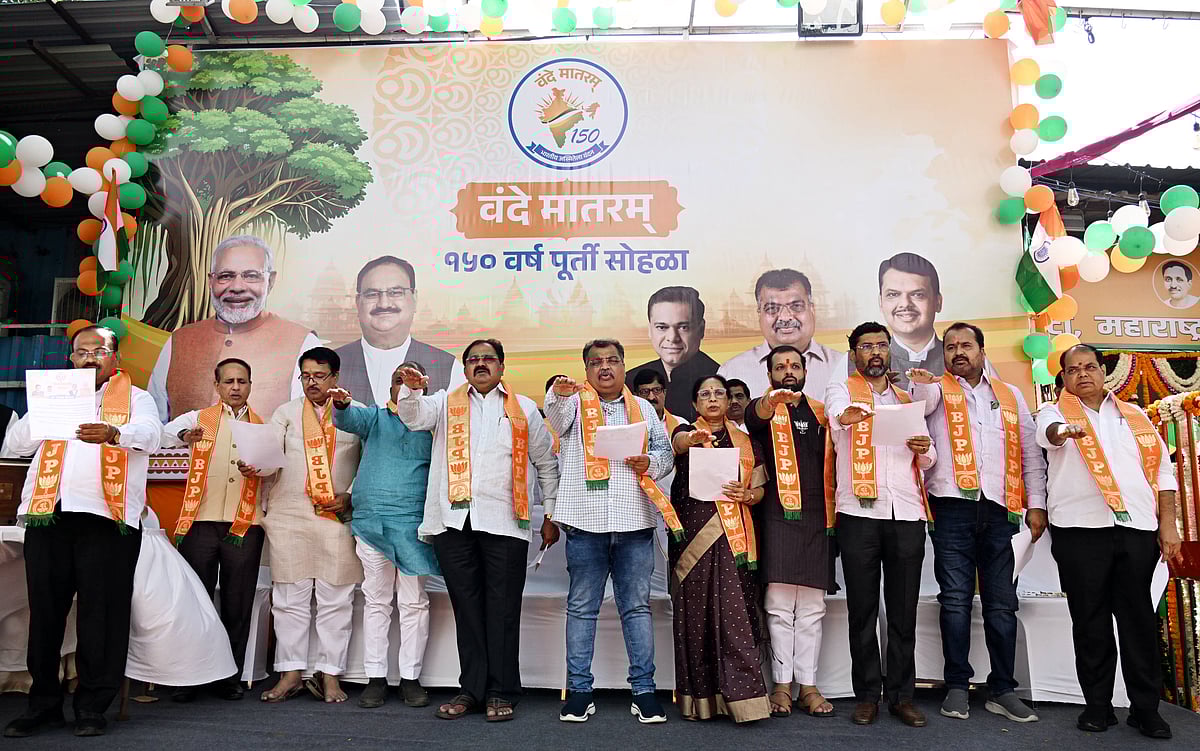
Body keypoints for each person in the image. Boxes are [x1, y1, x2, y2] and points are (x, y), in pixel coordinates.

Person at [3, 326, 162, 738]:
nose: (89, 357)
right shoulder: (53, 396)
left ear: (114, 358)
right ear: (71, 359)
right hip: (48, 515)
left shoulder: (137, 399)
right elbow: (15, 446)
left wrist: (115, 433)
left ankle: (92, 707)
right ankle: (43, 706)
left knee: (101, 616)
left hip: (106, 520)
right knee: (46, 614)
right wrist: (43, 406)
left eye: (99, 350)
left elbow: (152, 436)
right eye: (81, 351)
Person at [393, 339, 559, 722]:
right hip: (454, 523)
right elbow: (412, 416)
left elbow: (546, 463)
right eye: (473, 360)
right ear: (464, 368)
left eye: (488, 359)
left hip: (506, 522)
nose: (481, 364)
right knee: (467, 610)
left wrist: (550, 514)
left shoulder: (525, 409)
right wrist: (412, 387)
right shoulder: (443, 402)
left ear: (502, 366)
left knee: (502, 610)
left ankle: (502, 691)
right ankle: (471, 689)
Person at [1037, 344, 1181, 739]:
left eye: (1089, 367)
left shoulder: (1135, 417)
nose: (1082, 374)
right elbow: (1047, 436)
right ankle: (1098, 707)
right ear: (1063, 378)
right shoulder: (1054, 413)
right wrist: (1064, 430)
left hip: (1136, 529)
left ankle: (1145, 709)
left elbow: (1163, 473)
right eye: (1072, 370)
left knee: (1138, 623)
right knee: (1091, 623)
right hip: (1079, 531)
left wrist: (1168, 524)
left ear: (1103, 371)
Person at [908, 323, 1045, 723]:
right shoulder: (936, 390)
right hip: (952, 507)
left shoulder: (1010, 395)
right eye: (950, 348)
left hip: (1002, 509)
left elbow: (1031, 455)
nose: (958, 352)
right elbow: (918, 405)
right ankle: (956, 685)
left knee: (1002, 603)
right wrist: (919, 383)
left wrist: (1036, 504)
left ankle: (1002, 688)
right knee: (954, 599)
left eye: (966, 345)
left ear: (982, 350)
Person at [545, 339, 674, 725]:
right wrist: (557, 391)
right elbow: (553, 416)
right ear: (586, 370)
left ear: (623, 366)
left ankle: (645, 692)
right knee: (582, 609)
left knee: (635, 607)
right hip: (585, 524)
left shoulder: (645, 410)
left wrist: (648, 460)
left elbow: (666, 456)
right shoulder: (572, 403)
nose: (605, 368)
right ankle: (580, 692)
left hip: (634, 522)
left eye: (612, 361)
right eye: (596, 363)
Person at [824, 322, 935, 728]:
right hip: (859, 514)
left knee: (904, 612)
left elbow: (929, 458)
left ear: (891, 352)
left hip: (906, 513)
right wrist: (848, 417)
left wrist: (925, 450)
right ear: (853, 353)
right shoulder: (842, 390)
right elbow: (836, 417)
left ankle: (902, 696)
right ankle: (868, 694)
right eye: (867, 346)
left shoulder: (908, 399)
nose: (875, 352)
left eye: (882, 346)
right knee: (863, 610)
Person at [328, 361, 437, 710]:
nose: (401, 386)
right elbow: (348, 419)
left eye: (409, 381)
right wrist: (342, 405)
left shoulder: (432, 422)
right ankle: (375, 678)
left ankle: (410, 679)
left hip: (412, 527)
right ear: (389, 388)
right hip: (372, 525)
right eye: (396, 381)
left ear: (421, 387)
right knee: (376, 601)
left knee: (413, 603)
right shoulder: (374, 417)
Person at [159, 358, 269, 702]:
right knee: (197, 601)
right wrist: (182, 436)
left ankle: (229, 676)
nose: (235, 387)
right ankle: (190, 677)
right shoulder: (197, 419)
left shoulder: (263, 425)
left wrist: (261, 469)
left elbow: (275, 469)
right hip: (200, 523)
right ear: (217, 385)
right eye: (229, 382)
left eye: (242, 381)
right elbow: (162, 432)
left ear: (251, 385)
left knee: (238, 603)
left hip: (245, 525)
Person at [258, 347, 363, 705]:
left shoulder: (356, 412)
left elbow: (370, 464)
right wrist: (253, 465)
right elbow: (267, 459)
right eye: (306, 376)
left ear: (335, 377)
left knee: (336, 599)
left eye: (319, 376)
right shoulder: (285, 412)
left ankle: (331, 675)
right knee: (289, 599)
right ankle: (290, 673)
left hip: (336, 516)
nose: (312, 383)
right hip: (289, 514)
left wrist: (350, 494)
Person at [668, 375, 770, 723]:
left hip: (734, 539)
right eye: (705, 394)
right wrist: (691, 439)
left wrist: (749, 496)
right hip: (693, 537)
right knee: (695, 616)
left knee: (735, 615)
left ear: (729, 401)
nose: (712, 399)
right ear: (695, 404)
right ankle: (701, 701)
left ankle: (745, 701)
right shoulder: (685, 432)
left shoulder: (746, 441)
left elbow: (759, 490)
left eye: (719, 394)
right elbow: (678, 443)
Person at [744, 345, 836, 719]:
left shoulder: (820, 412)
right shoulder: (760, 410)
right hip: (777, 515)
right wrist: (772, 401)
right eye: (779, 366)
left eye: (794, 365)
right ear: (769, 375)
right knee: (780, 607)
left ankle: (808, 685)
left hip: (817, 515)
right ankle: (781, 685)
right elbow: (756, 414)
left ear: (805, 371)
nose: (788, 371)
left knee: (812, 608)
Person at [149, 235, 320, 422]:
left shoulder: (303, 343)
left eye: (251, 276)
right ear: (210, 281)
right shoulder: (178, 342)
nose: (237, 287)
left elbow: (310, 430)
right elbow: (155, 426)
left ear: (270, 281)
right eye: (225, 276)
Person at [335, 256, 466, 404]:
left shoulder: (449, 368)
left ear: (414, 298)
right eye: (372, 294)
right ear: (358, 303)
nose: (384, 303)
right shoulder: (328, 365)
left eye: (395, 292)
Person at [719, 269, 846, 401]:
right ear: (759, 314)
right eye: (772, 308)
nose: (785, 318)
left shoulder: (843, 366)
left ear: (812, 309)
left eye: (796, 306)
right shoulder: (732, 371)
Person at [625, 286, 718, 421]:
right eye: (662, 327)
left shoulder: (721, 376)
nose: (673, 338)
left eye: (683, 327)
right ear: (650, 330)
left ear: (701, 329)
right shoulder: (630, 381)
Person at [876, 252, 943, 389]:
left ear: (938, 302)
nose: (905, 304)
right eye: (893, 294)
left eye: (917, 294)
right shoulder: (853, 363)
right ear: (881, 302)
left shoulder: (969, 359)